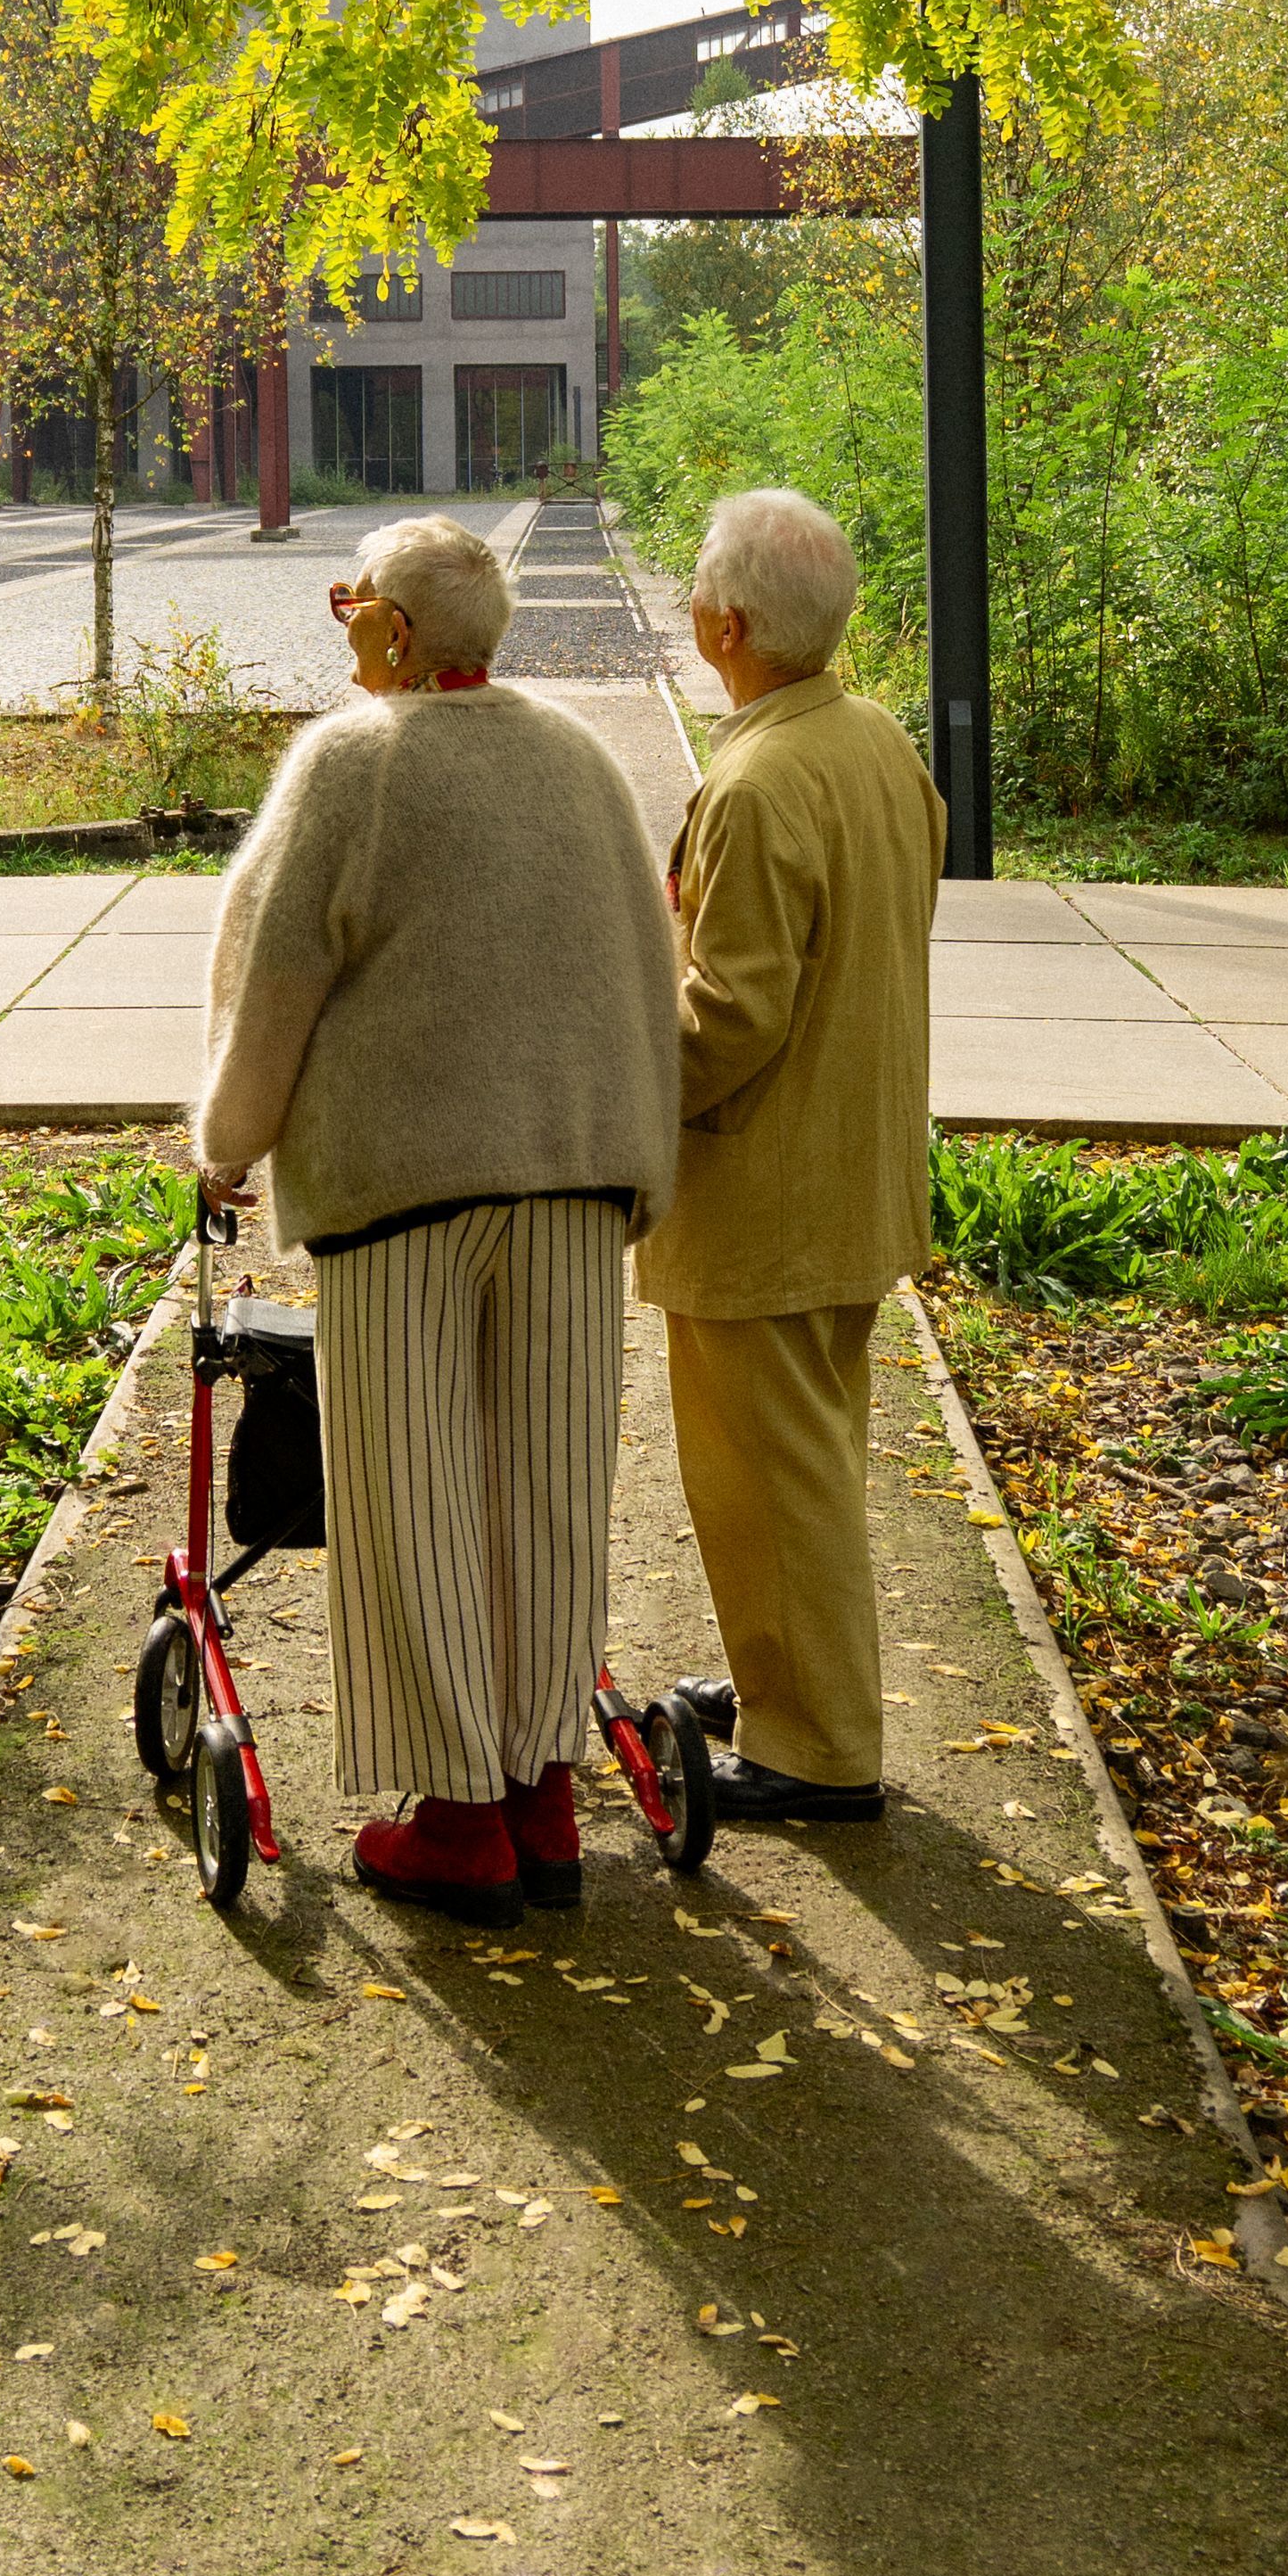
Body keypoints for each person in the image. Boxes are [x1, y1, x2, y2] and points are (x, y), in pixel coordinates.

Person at [191, 514, 682, 1919]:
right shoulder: (584, 759)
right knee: (548, 1487)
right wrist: (642, 1159)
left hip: (408, 1184)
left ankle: (460, 1820)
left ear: (394, 632)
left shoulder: (356, 759)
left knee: (411, 1492)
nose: (341, 620)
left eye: (349, 601)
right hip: (578, 1179)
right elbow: (649, 961)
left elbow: (272, 968)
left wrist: (228, 1144)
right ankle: (543, 1795)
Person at [644, 481, 945, 1826]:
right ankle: (785, 1690)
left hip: (762, 1190)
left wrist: (619, 1092)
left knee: (773, 1478)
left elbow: (732, 1016)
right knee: (807, 1460)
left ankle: (818, 1747)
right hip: (852, 1167)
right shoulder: (877, 740)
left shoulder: (757, 781)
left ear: (724, 624)